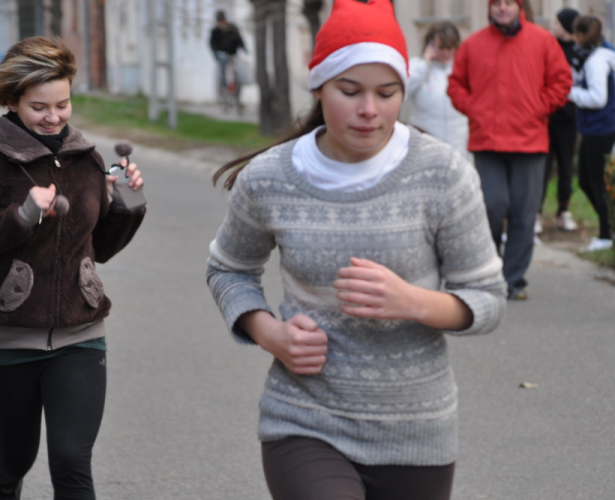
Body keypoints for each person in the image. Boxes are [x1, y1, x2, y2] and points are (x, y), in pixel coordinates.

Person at [206, 1, 507, 499]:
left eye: (387, 93)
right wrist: (270, 333)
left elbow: (489, 299)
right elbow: (228, 269)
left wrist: (414, 302)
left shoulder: (441, 173)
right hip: (303, 417)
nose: (370, 110)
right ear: (320, 87)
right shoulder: (270, 178)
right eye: (350, 92)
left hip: (415, 428)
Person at [0, 37, 145, 499]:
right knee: (17, 455)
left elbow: (98, 249)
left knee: (72, 461)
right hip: (11, 336)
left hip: (81, 332)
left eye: (63, 103)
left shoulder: (86, 157)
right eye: (39, 107)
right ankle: (4, 476)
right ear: (11, 101)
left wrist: (128, 208)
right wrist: (20, 219)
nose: (54, 117)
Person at [447, 0, 572, 300]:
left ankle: (513, 279)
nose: (502, 9)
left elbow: (562, 81)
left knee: (523, 214)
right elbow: (455, 85)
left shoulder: (543, 41)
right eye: (497, 4)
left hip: (530, 142)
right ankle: (488, 272)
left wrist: (539, 108)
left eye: (508, 4)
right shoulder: (473, 45)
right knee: (491, 207)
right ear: (490, 8)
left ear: (519, 7)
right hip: (487, 141)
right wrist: (474, 108)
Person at [567, 15, 615, 252]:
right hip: (599, 127)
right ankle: (609, 229)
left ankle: (607, 234)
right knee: (587, 180)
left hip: (600, 128)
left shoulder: (596, 60)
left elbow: (598, 98)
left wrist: (571, 93)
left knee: (596, 182)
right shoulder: (606, 53)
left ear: (583, 36)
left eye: (576, 34)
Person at [405, 21, 469, 160]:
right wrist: (424, 65)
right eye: (440, 47)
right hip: (426, 144)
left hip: (459, 144)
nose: (445, 53)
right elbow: (403, 91)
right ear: (430, 46)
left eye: (449, 48)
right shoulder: (417, 66)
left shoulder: (463, 69)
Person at [541, 8, 580, 233]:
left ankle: (563, 211)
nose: (552, 26)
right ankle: (536, 211)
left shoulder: (578, 51)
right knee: (542, 167)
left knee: (565, 166)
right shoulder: (549, 46)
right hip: (547, 117)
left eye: (556, 23)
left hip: (568, 118)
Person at [209, 9, 247, 112]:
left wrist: (244, 49)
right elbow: (212, 44)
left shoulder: (232, 28)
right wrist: (217, 55)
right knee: (222, 75)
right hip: (223, 56)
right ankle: (223, 90)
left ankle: (237, 94)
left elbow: (240, 39)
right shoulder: (215, 31)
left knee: (239, 74)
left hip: (233, 55)